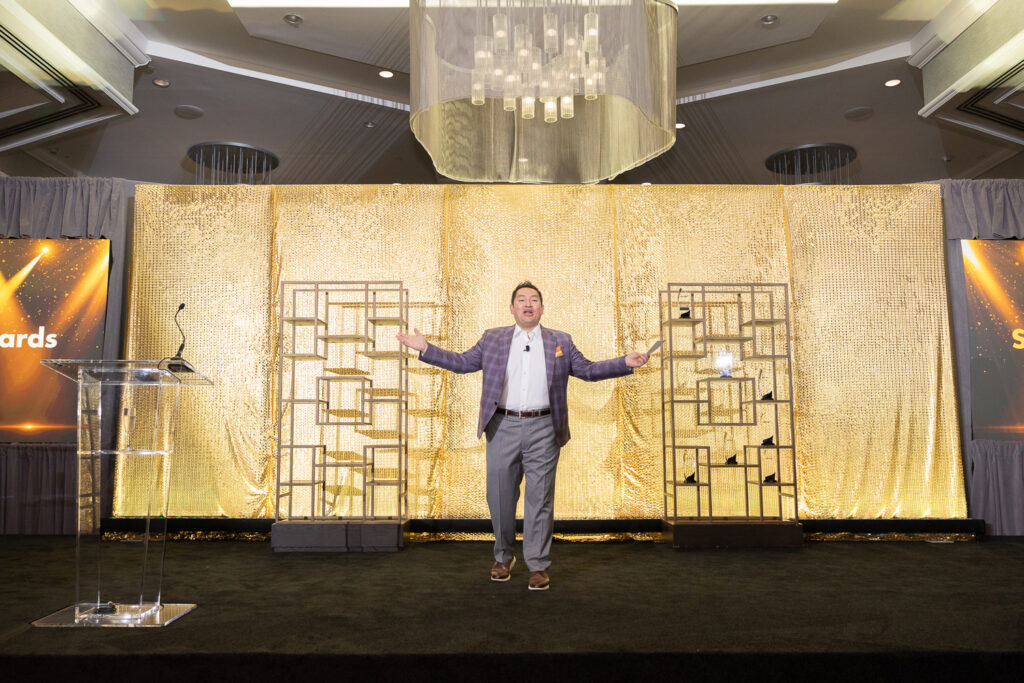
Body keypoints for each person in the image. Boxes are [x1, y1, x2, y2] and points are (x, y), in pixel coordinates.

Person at [396, 281, 649, 591]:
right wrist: (426, 349)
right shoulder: (493, 339)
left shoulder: (561, 341)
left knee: (539, 498)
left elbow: (587, 370)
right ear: (512, 308)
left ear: (542, 308)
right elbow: (462, 363)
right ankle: (503, 557)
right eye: (521, 300)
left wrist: (625, 363)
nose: (528, 304)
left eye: (534, 300)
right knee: (500, 497)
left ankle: (538, 565)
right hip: (502, 426)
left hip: (545, 427)